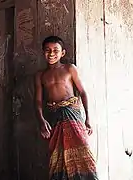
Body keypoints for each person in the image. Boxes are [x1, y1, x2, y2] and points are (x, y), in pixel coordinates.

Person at [35, 36, 98, 180]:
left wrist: (88, 118)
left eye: (55, 50)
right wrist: (41, 120)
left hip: (72, 115)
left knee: (82, 150)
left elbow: (82, 92)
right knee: (57, 156)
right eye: (47, 50)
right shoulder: (40, 75)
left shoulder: (69, 68)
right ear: (43, 52)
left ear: (62, 53)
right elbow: (37, 101)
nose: (51, 54)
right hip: (54, 117)